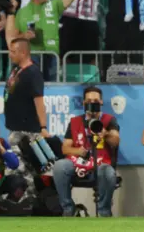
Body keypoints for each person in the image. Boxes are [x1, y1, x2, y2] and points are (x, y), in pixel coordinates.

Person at [53, 86, 120, 217]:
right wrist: (78, 151)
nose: (92, 104)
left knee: (108, 172)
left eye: (95, 101)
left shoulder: (109, 120)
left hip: (100, 165)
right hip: (79, 164)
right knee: (60, 166)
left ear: (101, 102)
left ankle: (103, 211)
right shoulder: (75, 122)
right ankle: (68, 208)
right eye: (89, 101)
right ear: (83, 103)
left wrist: (105, 134)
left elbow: (116, 141)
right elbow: (65, 148)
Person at [3, 13, 50, 198]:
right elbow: (10, 38)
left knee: (21, 167)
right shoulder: (17, 69)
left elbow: (39, 102)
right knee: (17, 167)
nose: (10, 54)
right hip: (15, 128)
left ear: (23, 53)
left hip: (28, 130)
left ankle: (29, 200)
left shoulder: (32, 73)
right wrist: (11, 14)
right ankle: (22, 200)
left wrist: (43, 128)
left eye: (13, 52)